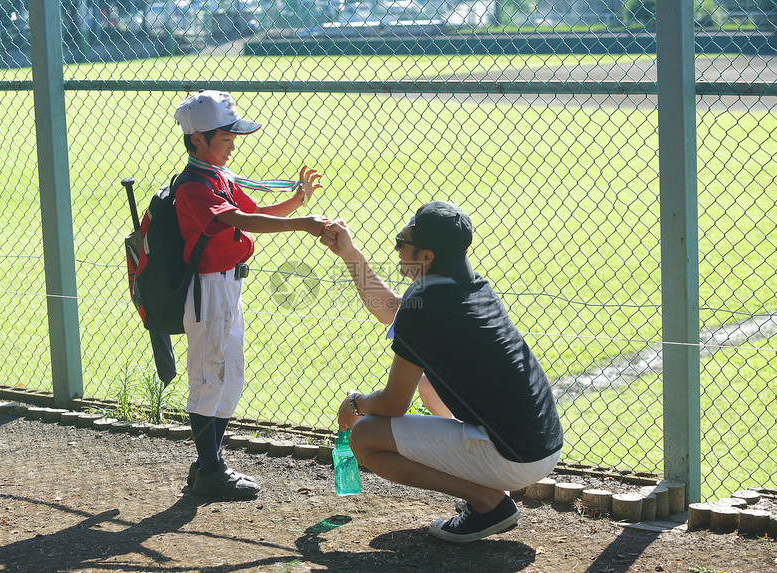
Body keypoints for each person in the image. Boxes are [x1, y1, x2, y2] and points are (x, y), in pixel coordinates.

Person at [320, 201, 563, 543]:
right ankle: (488, 488)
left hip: (515, 457)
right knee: (427, 382)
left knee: (365, 437)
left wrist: (356, 404)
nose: (397, 250)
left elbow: (392, 405)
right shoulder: (468, 286)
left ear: (426, 257)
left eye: (400, 242)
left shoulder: (426, 309)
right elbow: (392, 311)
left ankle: (487, 501)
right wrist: (349, 253)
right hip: (539, 443)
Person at [173, 90, 329, 500]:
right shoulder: (193, 186)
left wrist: (297, 202)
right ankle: (209, 470)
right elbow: (243, 220)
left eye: (232, 140)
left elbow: (257, 211)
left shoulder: (218, 178)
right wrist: (304, 224)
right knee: (210, 377)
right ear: (197, 140)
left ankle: (209, 461)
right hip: (208, 288)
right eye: (225, 139)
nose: (232, 147)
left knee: (231, 375)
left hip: (229, 286)